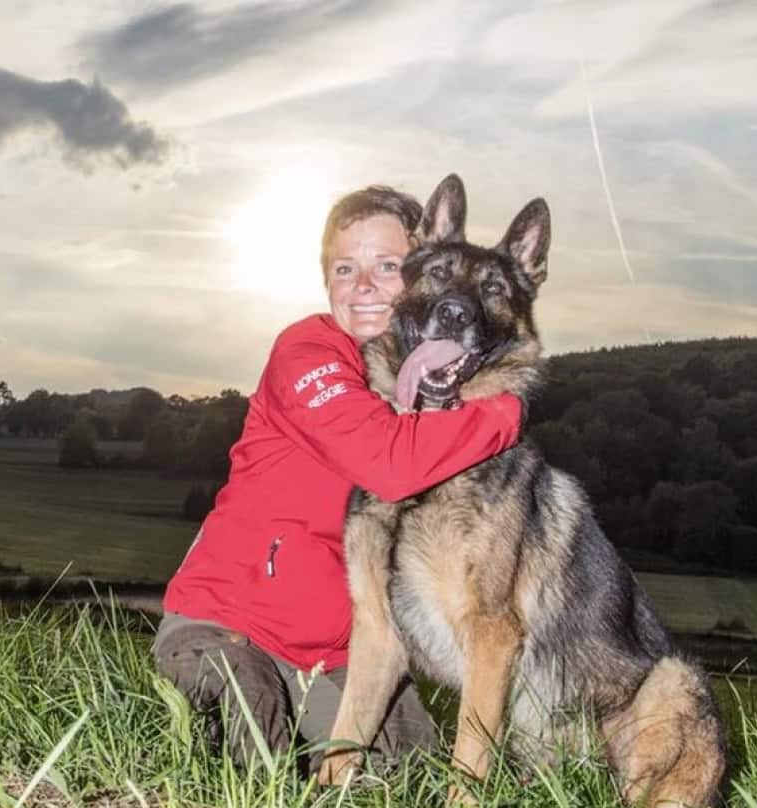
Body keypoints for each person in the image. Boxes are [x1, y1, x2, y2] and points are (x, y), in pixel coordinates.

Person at [153, 184, 523, 771]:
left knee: (404, 787)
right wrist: (503, 413)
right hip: (228, 626)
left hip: (339, 658)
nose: (364, 285)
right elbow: (389, 462)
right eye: (345, 268)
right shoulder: (308, 351)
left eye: (388, 266)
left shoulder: (436, 387)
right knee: (253, 763)